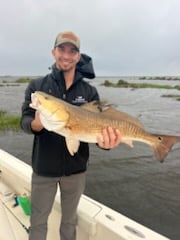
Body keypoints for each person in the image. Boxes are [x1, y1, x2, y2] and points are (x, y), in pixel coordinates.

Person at [20, 31, 122, 240]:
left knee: (69, 222)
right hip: (43, 170)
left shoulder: (90, 92)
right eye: (61, 49)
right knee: (38, 221)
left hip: (76, 172)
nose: (66, 55)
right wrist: (37, 123)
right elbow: (25, 121)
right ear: (53, 52)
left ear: (78, 56)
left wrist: (107, 143)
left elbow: (98, 130)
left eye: (72, 51)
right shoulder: (37, 87)